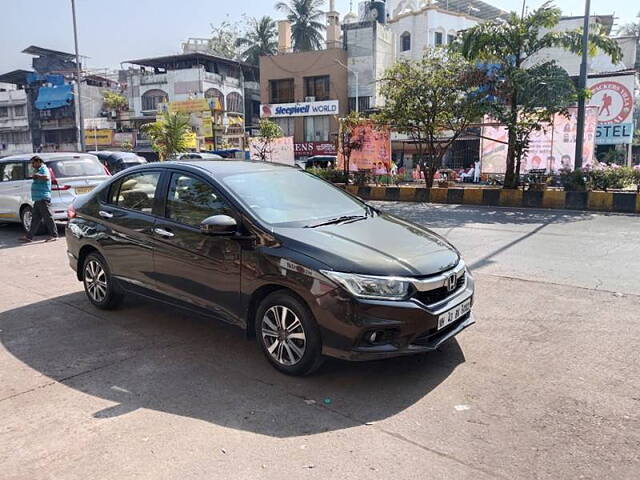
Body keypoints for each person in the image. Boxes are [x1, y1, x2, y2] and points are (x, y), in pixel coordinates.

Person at [19, 156, 58, 243]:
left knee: (48, 217)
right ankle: (29, 236)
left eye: (33, 163)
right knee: (35, 218)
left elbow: (46, 177)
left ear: (38, 161)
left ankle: (54, 235)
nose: (32, 165)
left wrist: (37, 175)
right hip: (38, 198)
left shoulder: (44, 168)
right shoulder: (39, 169)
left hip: (43, 197)